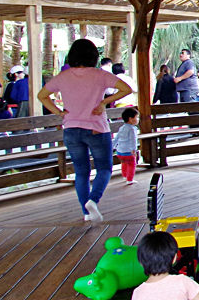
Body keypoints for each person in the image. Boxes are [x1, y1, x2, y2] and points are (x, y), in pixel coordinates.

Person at [38, 39, 132, 222]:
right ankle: (93, 200)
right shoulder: (99, 75)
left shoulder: (62, 77)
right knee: (104, 168)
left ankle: (86, 213)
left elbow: (41, 96)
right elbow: (126, 89)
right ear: (93, 56)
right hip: (96, 128)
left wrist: (58, 112)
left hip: (71, 128)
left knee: (81, 172)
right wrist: (104, 102)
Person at [113, 107, 139, 184]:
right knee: (131, 164)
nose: (138, 119)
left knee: (124, 163)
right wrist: (134, 149)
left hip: (120, 151)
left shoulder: (122, 128)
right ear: (131, 119)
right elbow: (133, 140)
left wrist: (113, 146)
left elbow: (116, 138)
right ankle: (130, 179)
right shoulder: (132, 129)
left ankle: (125, 176)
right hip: (128, 151)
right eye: (136, 117)